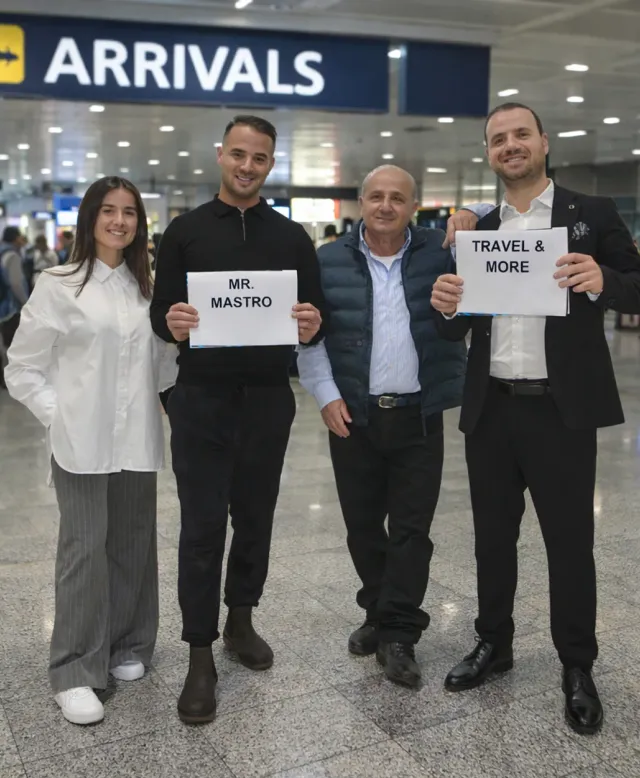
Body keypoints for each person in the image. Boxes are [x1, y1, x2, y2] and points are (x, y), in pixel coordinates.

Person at [431, 102, 640, 735]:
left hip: (561, 410)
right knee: (493, 539)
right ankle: (494, 644)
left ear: (544, 142)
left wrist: (603, 277)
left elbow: (636, 281)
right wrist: (447, 305)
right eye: (499, 139)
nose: (511, 145)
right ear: (489, 154)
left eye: (521, 134)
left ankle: (577, 664)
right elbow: (462, 321)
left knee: (569, 544)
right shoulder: (481, 228)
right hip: (492, 408)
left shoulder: (590, 215)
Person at [150, 114, 324, 724]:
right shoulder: (185, 231)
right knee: (202, 528)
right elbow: (159, 314)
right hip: (201, 398)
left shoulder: (291, 236)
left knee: (254, 518)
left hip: (267, 398)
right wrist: (171, 322)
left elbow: (314, 311)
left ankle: (240, 621)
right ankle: (199, 653)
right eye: (239, 155)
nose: (248, 166)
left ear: (270, 165)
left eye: (260, 159)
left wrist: (311, 322)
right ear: (221, 155)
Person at [5, 177, 176, 726]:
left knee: (132, 543)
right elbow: (22, 368)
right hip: (80, 442)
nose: (120, 221)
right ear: (89, 218)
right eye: (109, 211)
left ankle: (127, 644)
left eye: (129, 212)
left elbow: (164, 367)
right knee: (83, 549)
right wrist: (62, 417)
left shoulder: (147, 289)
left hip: (136, 438)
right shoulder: (59, 285)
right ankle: (75, 667)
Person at [297, 165, 466, 688]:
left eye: (398, 197)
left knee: (412, 531)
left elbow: (497, 232)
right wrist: (325, 396)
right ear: (360, 203)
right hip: (354, 416)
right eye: (376, 196)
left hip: (419, 415)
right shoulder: (327, 261)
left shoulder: (442, 253)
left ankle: (398, 632)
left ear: (414, 206)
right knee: (363, 526)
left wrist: (472, 212)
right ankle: (377, 609)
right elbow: (309, 336)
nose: (386, 206)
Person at [0, 227, 28, 388]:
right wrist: (27, 303)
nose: (21, 240)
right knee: (12, 344)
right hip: (10, 308)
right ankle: (10, 380)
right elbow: (16, 283)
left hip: (1, 305)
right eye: (19, 237)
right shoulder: (12, 255)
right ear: (14, 238)